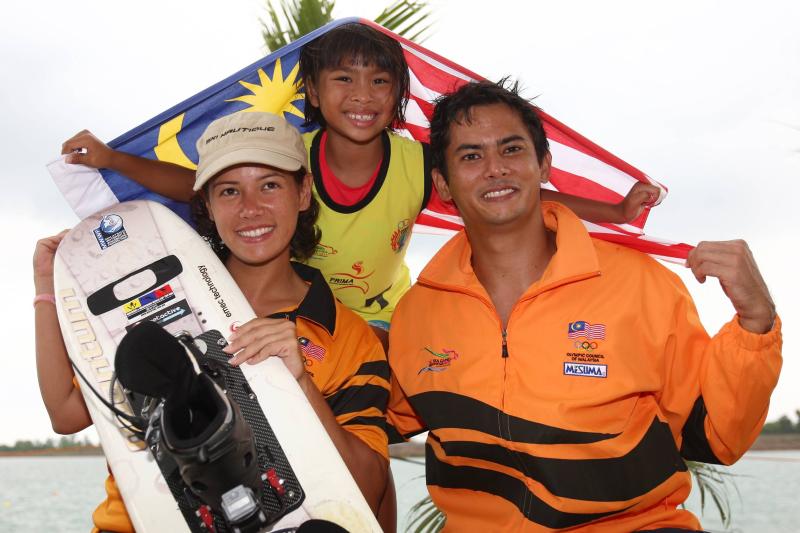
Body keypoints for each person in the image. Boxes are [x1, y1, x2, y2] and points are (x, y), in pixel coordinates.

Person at [60, 23, 660, 353]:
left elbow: (509, 190)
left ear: (398, 96)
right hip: (296, 318)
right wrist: (113, 158)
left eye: (380, 80)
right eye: (343, 78)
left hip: (383, 322)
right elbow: (200, 183)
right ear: (314, 93)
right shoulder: (289, 160)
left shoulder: (417, 164)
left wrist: (613, 208)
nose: (362, 94)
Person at [385, 80, 782, 532]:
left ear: (544, 166)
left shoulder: (641, 285)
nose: (495, 168)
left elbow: (715, 438)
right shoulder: (418, 312)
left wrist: (755, 324)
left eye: (511, 149)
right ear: (443, 184)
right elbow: (371, 416)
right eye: (471, 156)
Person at [35, 112, 390, 533]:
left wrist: (302, 383)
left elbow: (367, 490)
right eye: (229, 191)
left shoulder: (346, 335)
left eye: (270, 185)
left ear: (303, 192)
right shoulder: (155, 299)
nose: (250, 209)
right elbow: (66, 415)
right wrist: (47, 287)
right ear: (205, 204)